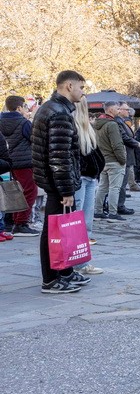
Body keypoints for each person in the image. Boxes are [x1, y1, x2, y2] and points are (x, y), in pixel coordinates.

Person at [32, 70, 92, 293]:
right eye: (81, 87)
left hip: (54, 181)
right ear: (69, 86)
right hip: (57, 184)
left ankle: (65, 272)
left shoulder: (51, 109)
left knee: (60, 228)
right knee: (53, 230)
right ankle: (51, 279)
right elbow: (59, 156)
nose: (82, 92)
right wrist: (66, 190)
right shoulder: (58, 113)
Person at [71, 99, 104, 274]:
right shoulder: (71, 125)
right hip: (80, 178)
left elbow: (93, 152)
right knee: (76, 222)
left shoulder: (86, 128)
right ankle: (77, 263)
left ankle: (82, 262)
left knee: (85, 223)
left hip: (90, 177)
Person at [0, 95, 40, 236]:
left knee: (16, 192)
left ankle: (13, 221)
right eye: (25, 107)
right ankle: (21, 223)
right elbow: (34, 140)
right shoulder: (24, 123)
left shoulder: (1, 121)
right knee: (30, 191)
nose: (26, 110)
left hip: (9, 162)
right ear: (19, 108)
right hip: (25, 162)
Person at [93, 100, 128, 221]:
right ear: (111, 110)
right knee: (114, 188)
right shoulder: (111, 124)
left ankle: (98, 211)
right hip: (114, 160)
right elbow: (117, 144)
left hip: (103, 160)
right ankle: (113, 213)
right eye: (117, 108)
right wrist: (122, 160)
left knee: (102, 187)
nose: (119, 110)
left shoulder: (97, 124)